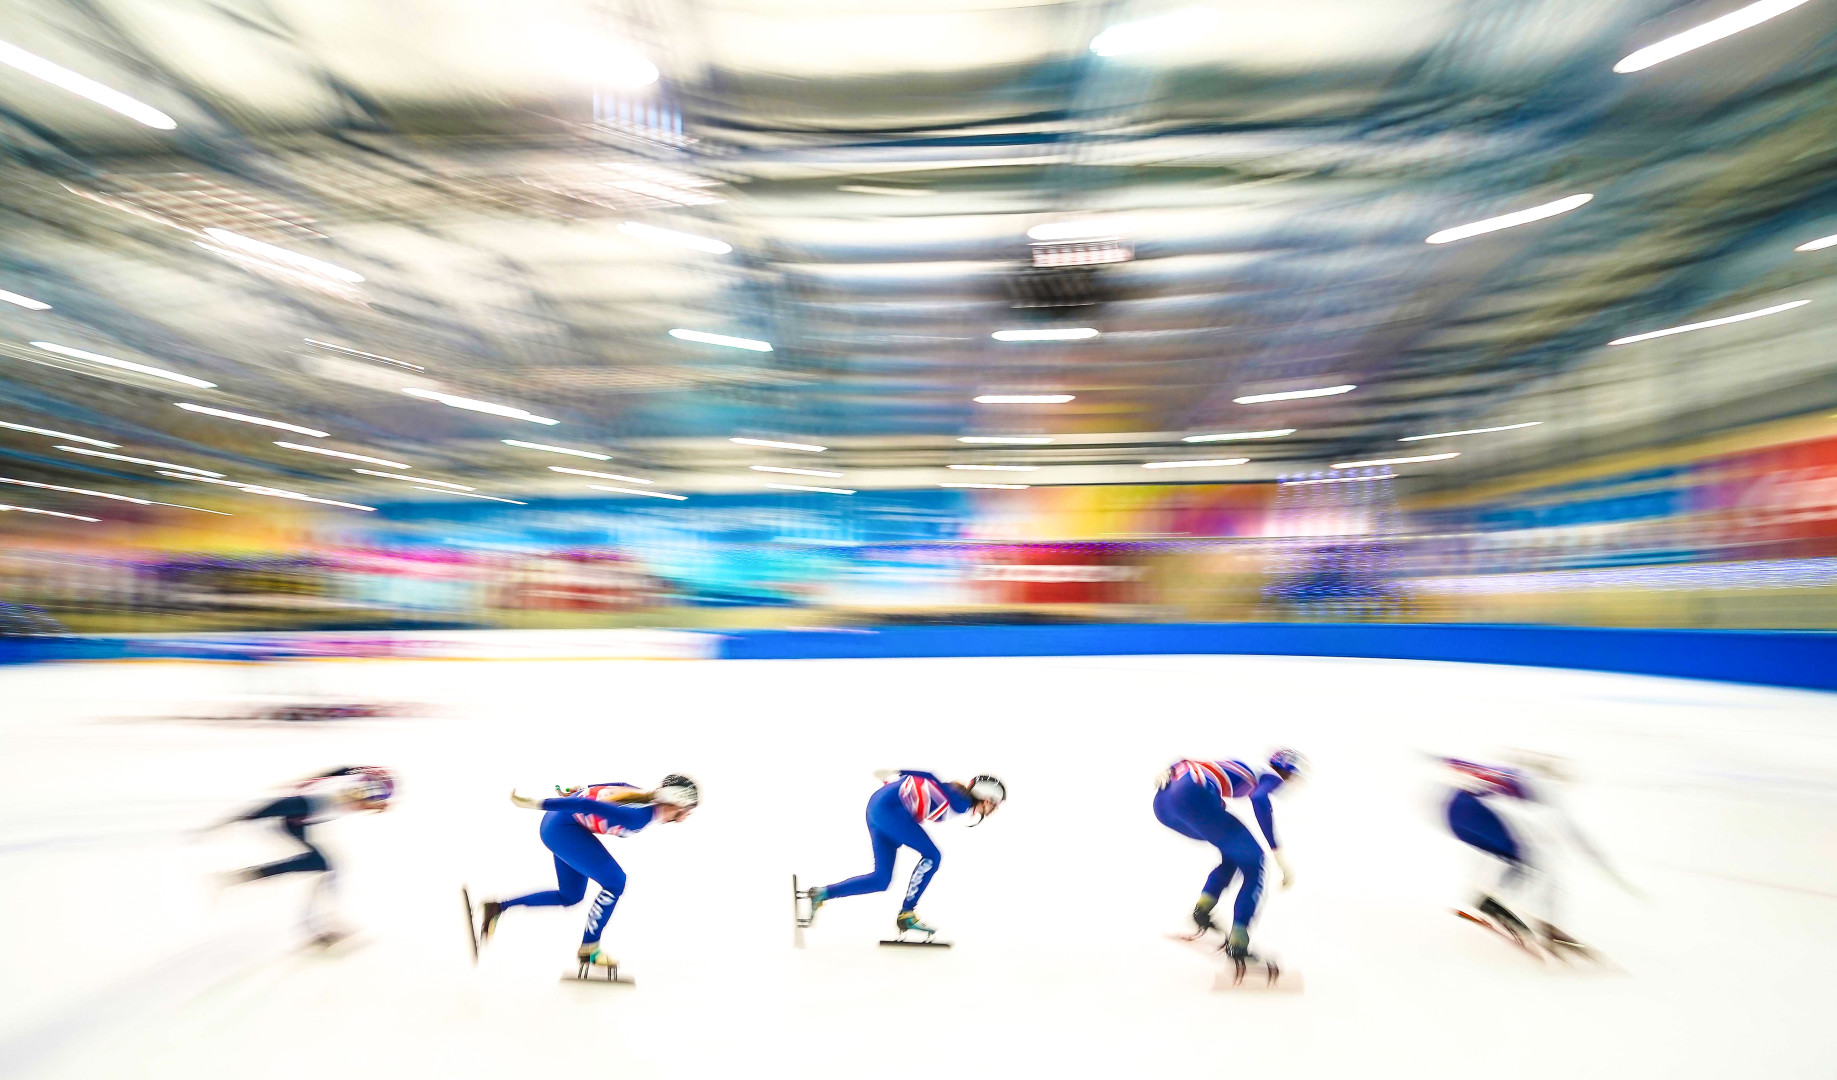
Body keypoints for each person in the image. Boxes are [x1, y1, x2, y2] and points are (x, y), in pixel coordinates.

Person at [476, 774, 699, 973]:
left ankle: (496, 907)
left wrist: (583, 786)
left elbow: (618, 784)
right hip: (563, 829)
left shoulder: (643, 797)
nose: (689, 814)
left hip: (563, 825)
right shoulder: (638, 816)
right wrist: (537, 803)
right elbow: (586, 803)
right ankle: (590, 949)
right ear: (678, 803)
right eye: (689, 808)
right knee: (616, 882)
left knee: (570, 896)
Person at [1442, 754, 1629, 959]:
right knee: (1527, 862)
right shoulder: (1541, 786)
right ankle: (1496, 907)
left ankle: (1491, 901)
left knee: (1517, 857)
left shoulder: (1514, 773)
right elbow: (1571, 831)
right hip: (1471, 813)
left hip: (1453, 810)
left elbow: (1460, 764)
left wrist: (1438, 758)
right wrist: (1603, 865)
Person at [802, 770, 1005, 939]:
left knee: (881, 880)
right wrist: (901, 774)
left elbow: (926, 780)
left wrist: (897, 774)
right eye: (994, 804)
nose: (993, 810)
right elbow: (929, 778)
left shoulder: (955, 794)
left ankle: (821, 893)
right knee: (933, 856)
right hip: (889, 812)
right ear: (985, 798)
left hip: (878, 809)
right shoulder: (960, 802)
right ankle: (907, 913)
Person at [212, 765, 395, 943]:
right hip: (296, 816)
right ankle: (323, 924)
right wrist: (233, 820)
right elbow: (279, 806)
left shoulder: (349, 789)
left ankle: (243, 876)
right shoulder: (323, 797)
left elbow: (344, 772)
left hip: (299, 820)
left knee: (322, 865)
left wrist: (372, 800)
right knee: (324, 865)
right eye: (365, 797)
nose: (363, 804)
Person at [1153, 749, 1303, 959]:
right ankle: (1238, 944)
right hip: (1194, 797)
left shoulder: (1243, 764)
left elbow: (1185, 761)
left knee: (1234, 854)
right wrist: (1277, 851)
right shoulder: (1270, 775)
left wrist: (1169, 769)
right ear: (1287, 772)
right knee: (1254, 864)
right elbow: (1260, 798)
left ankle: (1202, 910)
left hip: (1163, 805)